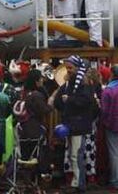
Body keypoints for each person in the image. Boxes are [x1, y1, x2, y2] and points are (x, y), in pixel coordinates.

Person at [54, 55, 93, 193]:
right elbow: (58, 101)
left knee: (76, 154)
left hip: (79, 124)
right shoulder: (68, 83)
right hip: (71, 124)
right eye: (67, 67)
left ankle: (79, 184)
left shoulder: (84, 84)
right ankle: (76, 182)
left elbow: (86, 102)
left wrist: (69, 100)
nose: (68, 70)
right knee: (73, 154)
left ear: (77, 68)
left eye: (70, 68)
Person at [101, 65, 118, 190]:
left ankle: (114, 180)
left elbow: (104, 110)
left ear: (112, 74)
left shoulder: (108, 90)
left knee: (114, 153)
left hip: (112, 125)